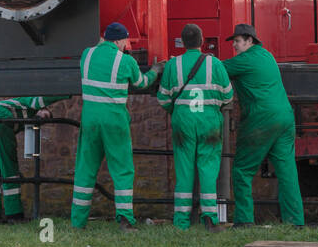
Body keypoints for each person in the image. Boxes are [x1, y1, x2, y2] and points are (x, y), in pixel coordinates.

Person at [70, 22, 160, 229]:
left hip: (90, 119)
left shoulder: (87, 55)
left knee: (85, 169)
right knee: (122, 170)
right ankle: (125, 219)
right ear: (119, 40)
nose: (126, 45)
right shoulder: (126, 61)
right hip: (115, 120)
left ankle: (78, 222)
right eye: (125, 41)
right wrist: (156, 70)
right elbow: (141, 83)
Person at [222, 22, 304, 228]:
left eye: (238, 42)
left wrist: (196, 60)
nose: (234, 46)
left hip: (261, 118)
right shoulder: (267, 56)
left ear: (250, 41)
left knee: (242, 170)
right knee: (287, 172)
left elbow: (216, 69)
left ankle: (244, 220)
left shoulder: (245, 60)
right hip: (285, 117)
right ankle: (295, 222)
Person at [157, 23, 234, 230]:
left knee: (184, 170)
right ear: (202, 41)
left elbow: (163, 99)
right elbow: (228, 95)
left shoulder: (173, 65)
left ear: (182, 42)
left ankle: (182, 221)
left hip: (183, 121)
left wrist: (179, 111)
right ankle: (209, 217)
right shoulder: (215, 64)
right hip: (209, 121)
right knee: (208, 169)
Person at [0, 95, 63, 223]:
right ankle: (14, 214)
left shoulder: (25, 115)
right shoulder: (31, 103)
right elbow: (43, 98)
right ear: (42, 108)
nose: (44, 119)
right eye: (46, 115)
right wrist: (67, 92)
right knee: (9, 168)